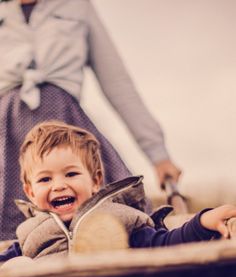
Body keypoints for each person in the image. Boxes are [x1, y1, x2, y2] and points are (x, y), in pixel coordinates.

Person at [0, 0, 181, 240]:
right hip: (6, 132)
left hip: (66, 122)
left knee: (114, 221)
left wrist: (159, 154)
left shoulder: (76, 6)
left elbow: (117, 83)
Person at [1, 120, 235, 264]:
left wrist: (202, 222)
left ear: (95, 181)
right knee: (16, 266)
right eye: (45, 179)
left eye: (71, 174)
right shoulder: (28, 235)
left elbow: (165, 245)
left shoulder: (120, 219)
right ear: (30, 192)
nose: (59, 185)